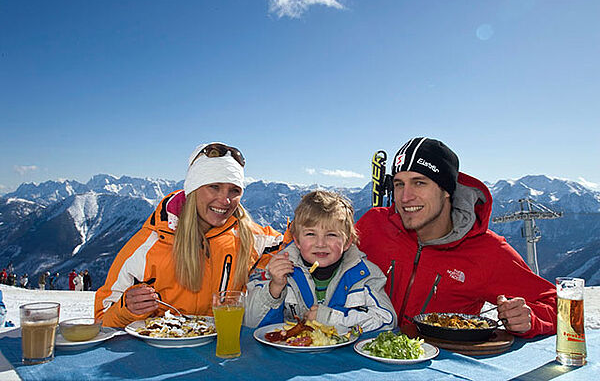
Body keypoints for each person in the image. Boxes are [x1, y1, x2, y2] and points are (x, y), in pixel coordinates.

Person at [356, 137, 557, 338]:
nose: (405, 197)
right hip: (355, 359)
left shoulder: (487, 252)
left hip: (436, 366)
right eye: (399, 184)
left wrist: (530, 319)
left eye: (419, 183)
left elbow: (557, 306)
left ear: (446, 190)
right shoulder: (373, 224)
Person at [95, 142, 283, 328]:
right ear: (193, 189)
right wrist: (126, 309)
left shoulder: (253, 239)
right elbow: (102, 320)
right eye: (214, 187)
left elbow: (298, 243)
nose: (225, 200)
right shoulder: (151, 243)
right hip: (163, 353)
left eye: (234, 190)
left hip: (226, 351)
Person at [245, 190, 397, 332]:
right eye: (311, 234)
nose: (320, 243)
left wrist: (329, 318)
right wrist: (274, 288)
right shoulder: (280, 269)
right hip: (290, 357)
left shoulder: (364, 275)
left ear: (347, 242)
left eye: (331, 235)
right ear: (297, 241)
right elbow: (251, 322)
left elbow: (387, 320)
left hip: (344, 359)